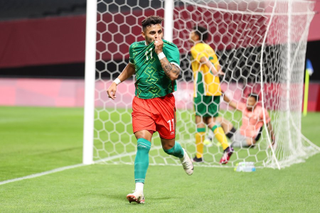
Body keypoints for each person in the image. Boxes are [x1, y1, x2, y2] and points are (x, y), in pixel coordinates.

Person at [106, 16, 193, 204]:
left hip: (164, 103)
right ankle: (139, 192)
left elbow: (173, 75)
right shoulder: (135, 48)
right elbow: (132, 66)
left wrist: (160, 53)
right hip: (142, 103)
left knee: (168, 148)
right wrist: (116, 82)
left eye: (159, 32)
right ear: (143, 33)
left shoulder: (170, 49)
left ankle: (182, 154)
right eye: (152, 33)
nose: (156, 36)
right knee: (143, 144)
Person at [189, 26, 233, 164]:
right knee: (211, 120)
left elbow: (203, 60)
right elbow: (219, 67)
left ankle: (199, 156)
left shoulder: (196, 48)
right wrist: (216, 71)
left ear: (196, 36)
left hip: (203, 88)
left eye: (192, 32)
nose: (190, 34)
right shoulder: (210, 48)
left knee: (199, 119)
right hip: (215, 88)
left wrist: (212, 69)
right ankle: (226, 147)